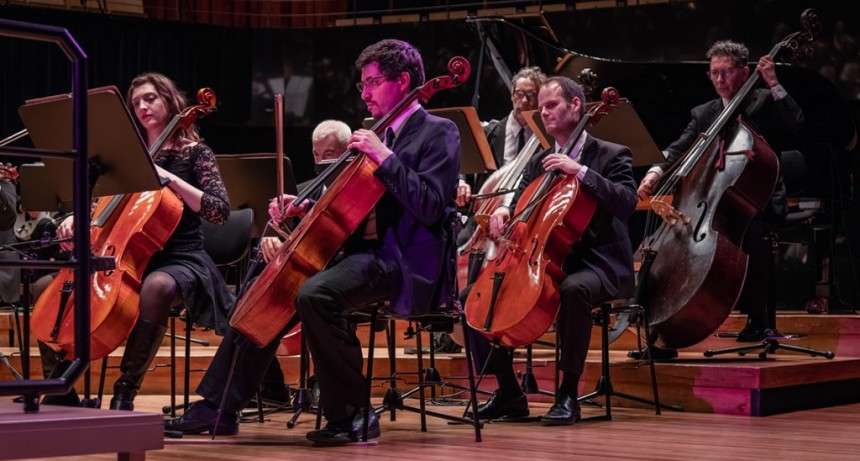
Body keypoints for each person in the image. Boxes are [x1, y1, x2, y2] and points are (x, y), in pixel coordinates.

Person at [165, 39, 461, 445]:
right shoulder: (374, 134)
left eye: (372, 82)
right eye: (362, 85)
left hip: (404, 260)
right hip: (360, 254)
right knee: (267, 279)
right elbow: (349, 201)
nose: (365, 93)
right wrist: (303, 207)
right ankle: (219, 406)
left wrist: (385, 158)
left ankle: (354, 413)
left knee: (315, 294)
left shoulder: (438, 132)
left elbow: (431, 207)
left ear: (403, 80)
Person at [40, 72, 234, 409]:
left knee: (155, 288)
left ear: (169, 100)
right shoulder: (123, 158)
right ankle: (63, 390)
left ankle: (125, 391)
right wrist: (76, 220)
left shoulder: (195, 154)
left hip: (178, 259)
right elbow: (99, 209)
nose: (142, 106)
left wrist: (171, 179)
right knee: (50, 288)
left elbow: (219, 211)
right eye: (136, 102)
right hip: (121, 256)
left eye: (150, 98)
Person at [465, 76, 637, 424]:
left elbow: (627, 202)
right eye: (541, 108)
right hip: (542, 260)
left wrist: (582, 172)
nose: (543, 113)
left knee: (574, 290)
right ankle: (511, 394)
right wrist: (504, 213)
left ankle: (567, 394)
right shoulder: (541, 161)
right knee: (474, 297)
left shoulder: (610, 154)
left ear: (577, 105)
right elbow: (524, 209)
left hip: (597, 263)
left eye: (551, 105)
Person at [635, 40, 805, 357]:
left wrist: (774, 83)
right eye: (713, 73)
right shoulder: (705, 113)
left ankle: (759, 318)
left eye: (726, 72)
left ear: (745, 72)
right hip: (711, 201)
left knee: (750, 233)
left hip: (758, 199)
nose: (719, 79)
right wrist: (656, 171)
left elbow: (796, 125)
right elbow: (679, 147)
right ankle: (656, 324)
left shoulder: (765, 101)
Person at [455, 66, 546, 209]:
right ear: (511, 95)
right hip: (486, 207)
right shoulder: (489, 131)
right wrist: (460, 182)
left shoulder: (544, 138)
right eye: (519, 93)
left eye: (531, 94)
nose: (523, 101)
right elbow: (464, 161)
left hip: (523, 209)